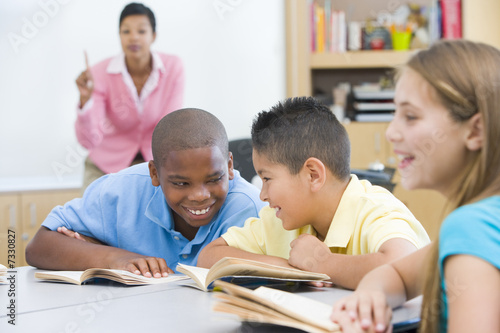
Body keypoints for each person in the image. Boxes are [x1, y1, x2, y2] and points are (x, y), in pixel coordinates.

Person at [330, 40, 500, 333]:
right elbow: (396, 273)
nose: (391, 132)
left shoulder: (470, 227)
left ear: (475, 131)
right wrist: (372, 295)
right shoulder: (483, 220)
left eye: (410, 116)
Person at [197, 97, 430, 290]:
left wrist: (323, 263)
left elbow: (404, 268)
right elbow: (209, 257)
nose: (263, 195)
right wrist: (290, 269)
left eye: (267, 179)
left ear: (313, 175)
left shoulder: (376, 209)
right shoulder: (280, 220)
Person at [25, 108, 266, 278]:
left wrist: (94, 247)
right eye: (181, 184)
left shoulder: (251, 209)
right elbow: (39, 246)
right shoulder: (119, 191)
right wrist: (115, 258)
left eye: (214, 179)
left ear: (229, 166)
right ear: (154, 174)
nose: (199, 195)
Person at [75, 2, 184, 190]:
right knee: (92, 215)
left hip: (153, 164)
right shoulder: (100, 73)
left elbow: (170, 126)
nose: (133, 37)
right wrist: (86, 100)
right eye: (126, 31)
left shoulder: (172, 67)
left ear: (153, 36)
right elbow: (89, 140)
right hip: (105, 165)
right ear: (119, 35)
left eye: (141, 31)